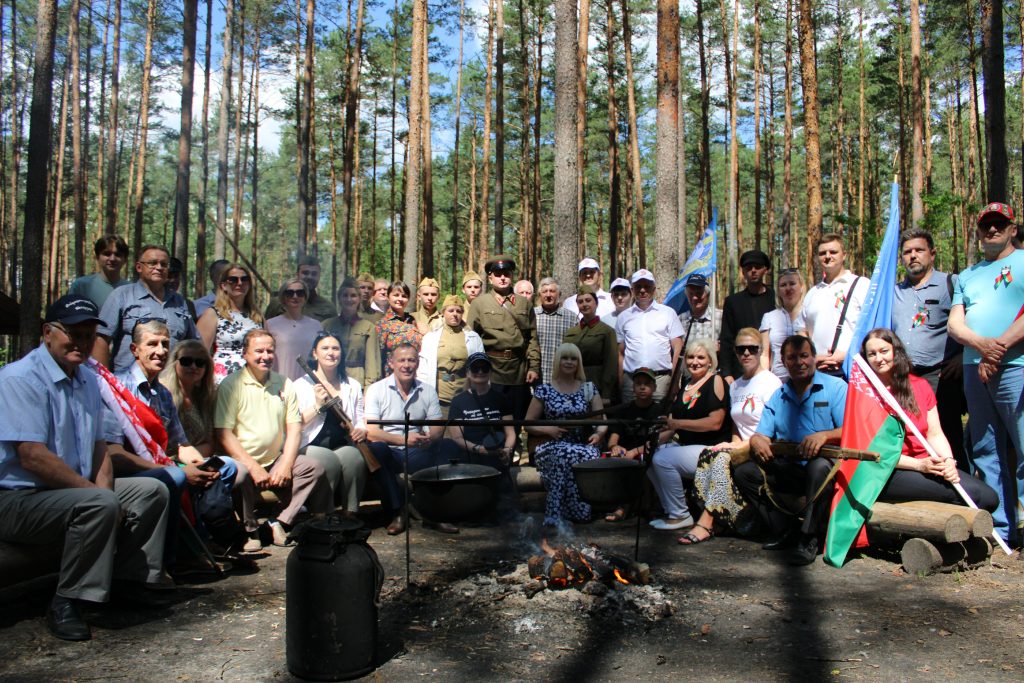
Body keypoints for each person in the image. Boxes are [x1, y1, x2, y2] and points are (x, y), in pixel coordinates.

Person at [0, 295, 170, 641]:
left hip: (68, 495)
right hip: (19, 500)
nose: (81, 342)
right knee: (100, 503)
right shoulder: (19, 378)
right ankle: (68, 600)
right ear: (48, 332)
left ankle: (125, 582)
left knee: (152, 489)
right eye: (73, 333)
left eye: (89, 335)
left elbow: (98, 449)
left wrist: (105, 495)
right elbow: (32, 456)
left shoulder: (87, 380)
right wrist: (97, 497)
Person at [99, 319, 239, 574]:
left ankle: (203, 540)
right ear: (134, 350)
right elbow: (113, 453)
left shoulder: (161, 393)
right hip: (130, 470)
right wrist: (174, 470)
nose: (161, 351)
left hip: (160, 463)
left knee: (224, 468)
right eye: (152, 344)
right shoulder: (117, 389)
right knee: (175, 477)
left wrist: (200, 465)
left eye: (165, 344)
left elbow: (181, 443)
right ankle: (175, 557)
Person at [948, 202, 1024, 546]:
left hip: (1016, 368)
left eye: (999, 224)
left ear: (1012, 229)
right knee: (985, 450)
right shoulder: (968, 275)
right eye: (985, 226)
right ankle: (1000, 532)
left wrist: (999, 349)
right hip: (973, 368)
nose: (991, 230)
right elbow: (954, 324)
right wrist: (981, 346)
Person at [733, 335, 847, 566]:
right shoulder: (779, 395)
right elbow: (762, 433)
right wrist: (757, 441)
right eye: (792, 358)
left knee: (819, 468)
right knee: (745, 472)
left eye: (804, 356)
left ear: (814, 358)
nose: (799, 362)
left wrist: (825, 435)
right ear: (784, 362)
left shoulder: (836, 388)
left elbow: (849, 429)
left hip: (826, 469)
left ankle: (809, 537)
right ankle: (784, 529)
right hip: (790, 468)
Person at [215, 329, 330, 547]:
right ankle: (251, 530)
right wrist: (253, 466)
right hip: (244, 461)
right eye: (258, 351)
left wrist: (286, 464)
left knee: (313, 468)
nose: (265, 356)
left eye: (270, 351)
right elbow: (223, 434)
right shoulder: (231, 386)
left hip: (274, 460)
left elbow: (295, 428)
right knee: (239, 473)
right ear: (245, 354)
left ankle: (278, 521)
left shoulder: (284, 383)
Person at [860, 329, 998, 510]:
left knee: (989, 498)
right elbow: (872, 449)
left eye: (884, 351)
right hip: (890, 469)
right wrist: (919, 465)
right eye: (872, 354)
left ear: (896, 351)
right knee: (974, 497)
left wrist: (948, 461)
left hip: (928, 462)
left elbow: (934, 434)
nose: (879, 358)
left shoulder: (919, 385)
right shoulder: (865, 393)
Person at [683, 328, 782, 545]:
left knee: (720, 461)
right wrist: (732, 443)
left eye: (752, 349)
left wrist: (738, 447)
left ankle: (705, 524)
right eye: (741, 349)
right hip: (742, 447)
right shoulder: (735, 385)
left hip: (763, 446)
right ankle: (724, 519)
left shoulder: (771, 382)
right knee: (709, 453)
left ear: (760, 351)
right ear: (735, 353)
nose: (746, 353)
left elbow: (774, 427)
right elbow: (737, 426)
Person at [892, 229, 967, 470]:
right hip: (904, 379)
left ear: (932, 254)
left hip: (941, 378)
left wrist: (963, 356)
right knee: (910, 439)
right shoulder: (894, 292)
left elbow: (973, 322)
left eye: (919, 250)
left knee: (949, 437)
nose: (913, 256)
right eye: (907, 252)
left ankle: (962, 489)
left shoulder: (950, 284)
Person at [364, 343, 454, 534]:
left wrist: (429, 437)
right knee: (376, 448)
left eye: (411, 360)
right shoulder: (376, 389)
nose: (407, 365)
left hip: (417, 449)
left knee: (447, 446)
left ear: (417, 363)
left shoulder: (427, 390)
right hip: (390, 451)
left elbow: (437, 427)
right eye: (402, 360)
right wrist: (404, 440)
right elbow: (371, 432)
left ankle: (434, 513)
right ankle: (398, 512)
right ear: (391, 363)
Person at [648, 339, 730, 531]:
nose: (695, 362)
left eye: (701, 357)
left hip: (712, 449)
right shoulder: (685, 384)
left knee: (662, 459)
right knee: (650, 456)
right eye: (691, 357)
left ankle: (680, 514)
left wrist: (678, 424)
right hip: (687, 448)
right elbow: (671, 426)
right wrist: (641, 447)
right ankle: (671, 511)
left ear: (710, 360)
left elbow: (715, 423)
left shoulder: (715, 381)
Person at [524, 343, 606, 526]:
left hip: (582, 444)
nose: (569, 362)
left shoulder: (588, 388)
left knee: (589, 454)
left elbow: (601, 421)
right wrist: (548, 429)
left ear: (579, 363)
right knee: (563, 455)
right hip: (551, 444)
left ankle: (578, 512)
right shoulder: (544, 389)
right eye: (565, 358)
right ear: (557, 361)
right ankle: (556, 514)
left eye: (573, 358)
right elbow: (528, 423)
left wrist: (599, 435)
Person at [294, 331, 370, 517]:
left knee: (353, 458)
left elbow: (360, 417)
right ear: (314, 354)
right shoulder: (299, 385)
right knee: (328, 460)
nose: (331, 353)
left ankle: (350, 513)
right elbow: (295, 424)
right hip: (309, 444)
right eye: (325, 348)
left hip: (340, 444)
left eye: (335, 348)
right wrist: (318, 406)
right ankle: (322, 515)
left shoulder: (352, 385)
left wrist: (361, 429)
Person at [95, 244, 199, 371]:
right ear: (139, 267)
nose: (159, 267)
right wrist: (104, 380)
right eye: (152, 263)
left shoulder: (179, 302)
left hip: (170, 384)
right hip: (128, 383)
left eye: (164, 264)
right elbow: (101, 339)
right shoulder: (122, 295)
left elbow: (193, 344)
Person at [466, 255, 542, 420]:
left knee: (516, 418)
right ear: (490, 277)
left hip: (519, 371)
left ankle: (513, 445)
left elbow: (532, 338)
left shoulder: (524, 303)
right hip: (491, 371)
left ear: (511, 276)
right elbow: (471, 340)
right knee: (492, 418)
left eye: (506, 274)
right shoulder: (479, 303)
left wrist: (534, 367)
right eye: (498, 274)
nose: (502, 278)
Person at [795, 233, 870, 375]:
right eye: (823, 253)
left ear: (844, 255)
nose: (828, 256)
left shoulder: (862, 285)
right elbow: (802, 330)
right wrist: (811, 356)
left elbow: (872, 327)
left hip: (852, 370)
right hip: (818, 372)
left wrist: (848, 354)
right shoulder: (813, 293)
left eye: (833, 252)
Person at [604, 368, 666, 522]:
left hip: (649, 452)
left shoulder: (660, 410)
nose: (642, 387)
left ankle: (649, 507)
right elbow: (613, 438)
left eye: (647, 384)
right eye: (638, 383)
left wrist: (635, 451)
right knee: (618, 462)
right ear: (633, 387)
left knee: (649, 463)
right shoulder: (624, 410)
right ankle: (622, 506)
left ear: (654, 387)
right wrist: (615, 447)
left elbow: (661, 438)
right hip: (626, 454)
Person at [616, 269, 685, 402]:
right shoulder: (623, 317)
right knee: (629, 421)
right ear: (632, 290)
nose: (642, 290)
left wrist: (674, 381)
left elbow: (678, 349)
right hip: (631, 382)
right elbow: (620, 353)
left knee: (659, 421)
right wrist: (620, 382)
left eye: (647, 286)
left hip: (660, 381)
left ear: (654, 289)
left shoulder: (668, 313)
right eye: (638, 287)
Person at [445, 352, 517, 472]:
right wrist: (478, 449)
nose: (480, 372)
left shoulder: (501, 398)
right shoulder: (458, 401)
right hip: (470, 459)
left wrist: (507, 449)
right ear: (467, 372)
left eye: (485, 368)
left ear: (490, 372)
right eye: (475, 368)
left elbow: (510, 432)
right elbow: (457, 437)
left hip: (497, 457)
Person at [197, 263, 264, 384]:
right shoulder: (212, 314)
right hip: (222, 381)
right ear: (223, 285)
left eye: (244, 279)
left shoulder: (257, 316)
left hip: (254, 379)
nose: (239, 283)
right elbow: (199, 354)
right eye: (233, 280)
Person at [417, 295, 484, 415]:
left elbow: (481, 368)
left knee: (462, 432)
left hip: (464, 395)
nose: (455, 314)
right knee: (438, 431)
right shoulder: (430, 338)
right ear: (443, 313)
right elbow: (423, 369)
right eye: (450, 310)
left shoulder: (473, 338)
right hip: (439, 396)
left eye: (458, 311)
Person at [720, 250, 775, 381]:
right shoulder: (733, 302)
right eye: (749, 268)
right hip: (741, 370)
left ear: (765, 270)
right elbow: (727, 339)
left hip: (772, 368)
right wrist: (727, 373)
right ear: (743, 272)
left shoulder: (776, 298)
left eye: (757, 267)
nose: (753, 271)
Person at [160, 340, 218, 458]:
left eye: (200, 363)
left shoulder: (206, 397)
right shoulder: (162, 393)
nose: (193, 367)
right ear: (174, 363)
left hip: (198, 459)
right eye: (186, 361)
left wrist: (194, 460)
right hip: (167, 463)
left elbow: (210, 443)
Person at [323, 277, 381, 389]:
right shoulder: (327, 325)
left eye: (353, 296)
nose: (349, 299)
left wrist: (368, 388)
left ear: (359, 298)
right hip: (331, 378)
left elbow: (372, 363)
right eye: (345, 295)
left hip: (357, 379)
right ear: (339, 298)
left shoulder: (368, 327)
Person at [562, 285, 619, 401]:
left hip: (596, 385)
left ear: (596, 303)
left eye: (588, 300)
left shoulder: (607, 331)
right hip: (573, 384)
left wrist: (606, 394)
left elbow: (611, 365)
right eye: (580, 302)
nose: (584, 304)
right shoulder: (571, 331)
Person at [266, 278, 322, 382]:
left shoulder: (316, 325)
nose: (295, 296)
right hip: (279, 383)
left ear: (305, 297)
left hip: (309, 384)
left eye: (300, 293)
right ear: (283, 297)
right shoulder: (270, 324)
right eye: (290, 293)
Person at [759, 268, 806, 382]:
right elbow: (764, 355)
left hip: (806, 379)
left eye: (792, 284)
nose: (788, 288)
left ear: (801, 287)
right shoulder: (769, 317)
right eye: (783, 285)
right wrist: (764, 381)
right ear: (778, 291)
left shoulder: (809, 314)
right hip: (778, 382)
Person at [264, 256, 337, 321]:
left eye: (314, 274)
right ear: (297, 275)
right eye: (305, 273)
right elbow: (265, 332)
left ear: (319, 276)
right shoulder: (278, 303)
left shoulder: (328, 308)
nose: (309, 277)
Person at [68, 234, 131, 309]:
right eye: (107, 254)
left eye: (117, 255)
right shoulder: (80, 287)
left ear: (125, 260)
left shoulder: (132, 290)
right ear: (97, 257)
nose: (112, 259)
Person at [534, 277, 577, 384]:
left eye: (552, 291)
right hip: (536, 378)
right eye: (544, 292)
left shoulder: (571, 318)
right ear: (540, 295)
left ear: (559, 294)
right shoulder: (531, 316)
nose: (548, 295)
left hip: (563, 378)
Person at [376, 280, 423, 374]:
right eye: (396, 295)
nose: (400, 299)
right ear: (388, 297)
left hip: (414, 375)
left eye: (404, 296)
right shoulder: (383, 324)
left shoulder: (412, 320)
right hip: (392, 376)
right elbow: (378, 357)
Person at [677, 273, 722, 346]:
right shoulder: (679, 320)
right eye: (691, 294)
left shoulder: (720, 317)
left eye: (699, 293)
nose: (694, 298)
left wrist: (721, 347)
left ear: (708, 294)